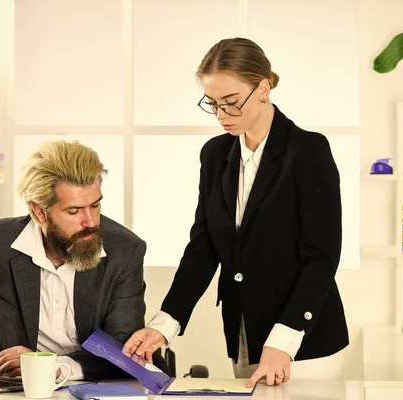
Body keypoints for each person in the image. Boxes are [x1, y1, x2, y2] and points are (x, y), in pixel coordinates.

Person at [123, 37, 348, 387]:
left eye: (230, 102)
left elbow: (322, 256)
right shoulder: (214, 155)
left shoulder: (308, 151)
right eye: (212, 104)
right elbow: (203, 247)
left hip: (305, 341)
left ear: (262, 88)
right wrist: (163, 325)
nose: (221, 115)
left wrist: (283, 340)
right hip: (244, 334)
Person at [0, 140, 167, 381]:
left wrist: (50, 366)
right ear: (39, 211)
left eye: (95, 205)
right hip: (17, 391)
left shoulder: (125, 250)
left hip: (94, 386)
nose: (90, 221)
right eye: (74, 211)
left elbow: (122, 350)